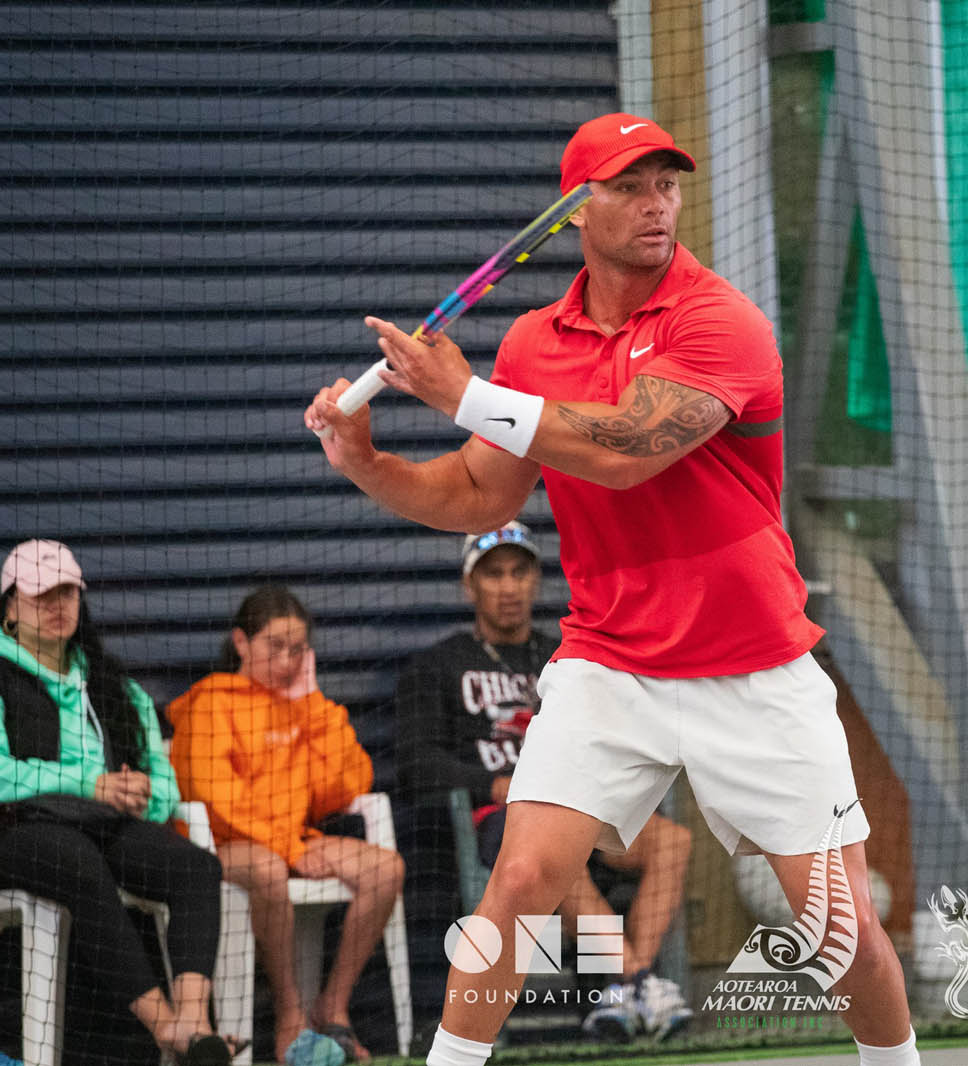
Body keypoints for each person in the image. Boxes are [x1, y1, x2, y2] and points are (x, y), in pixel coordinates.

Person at [305, 112, 919, 1066]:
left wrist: (465, 396)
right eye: (630, 187)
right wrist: (367, 462)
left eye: (666, 184)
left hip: (753, 665)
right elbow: (480, 494)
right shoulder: (532, 344)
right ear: (575, 211)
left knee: (844, 935)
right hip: (610, 660)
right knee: (519, 883)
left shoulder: (721, 320)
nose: (656, 204)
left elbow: (627, 448)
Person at [394, 521, 694, 1041]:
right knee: (552, 849)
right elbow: (416, 762)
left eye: (519, 572)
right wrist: (493, 785)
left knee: (672, 840)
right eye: (494, 575)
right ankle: (638, 980)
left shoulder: (568, 659)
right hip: (501, 819)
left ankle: (626, 990)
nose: (508, 587)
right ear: (469, 586)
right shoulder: (440, 665)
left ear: (536, 580)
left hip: (578, 805)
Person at [0, 539, 243, 1066]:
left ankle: (195, 1025)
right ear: (10, 608)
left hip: (104, 824)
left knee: (196, 866)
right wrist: (90, 783)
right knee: (76, 861)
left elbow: (164, 780)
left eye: (67, 592)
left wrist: (142, 799)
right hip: (17, 829)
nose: (58, 605)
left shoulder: (114, 686)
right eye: (41, 595)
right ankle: (167, 1030)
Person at [168, 586, 405, 1064]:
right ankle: (290, 1013)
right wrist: (289, 849)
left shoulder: (302, 705)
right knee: (268, 868)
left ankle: (331, 1007)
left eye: (297, 649)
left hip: (290, 841)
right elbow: (215, 799)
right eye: (274, 646)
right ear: (241, 642)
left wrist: (312, 704)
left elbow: (347, 786)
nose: (285, 661)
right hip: (221, 846)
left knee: (386, 869)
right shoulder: (211, 703)